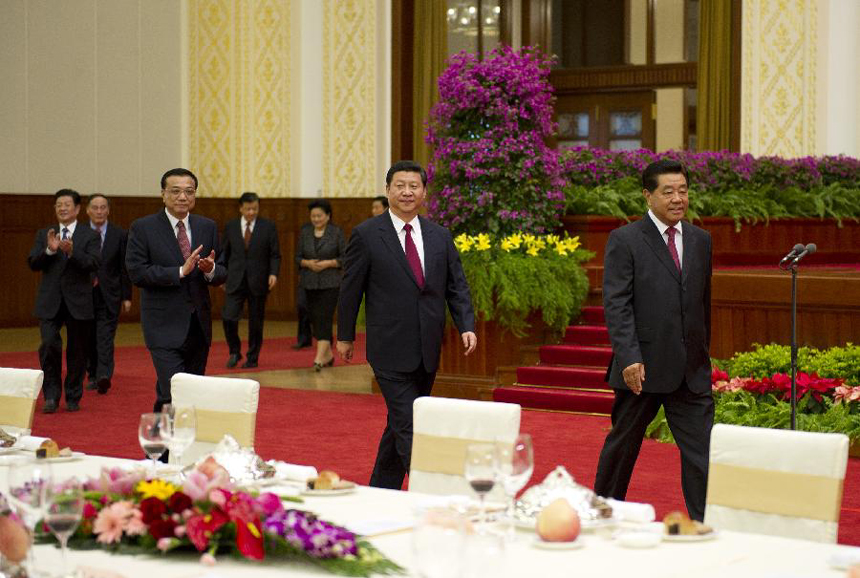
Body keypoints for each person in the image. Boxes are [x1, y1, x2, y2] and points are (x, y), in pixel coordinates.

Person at [337, 160, 477, 489]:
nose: (406, 192)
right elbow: (350, 289)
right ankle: (432, 490)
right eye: (399, 185)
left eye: (413, 186)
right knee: (410, 422)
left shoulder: (439, 236)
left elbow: (456, 285)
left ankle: (380, 489)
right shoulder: (367, 235)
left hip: (428, 347)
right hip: (388, 347)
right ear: (387, 191)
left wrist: (465, 325)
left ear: (424, 192)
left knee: (400, 422)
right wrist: (344, 336)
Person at [594, 159, 714, 521]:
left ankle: (704, 523)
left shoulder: (700, 240)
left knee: (703, 454)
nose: (678, 198)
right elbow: (617, 303)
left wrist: (703, 355)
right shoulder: (625, 239)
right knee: (622, 448)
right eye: (668, 192)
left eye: (683, 190)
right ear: (648, 195)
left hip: (689, 370)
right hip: (641, 369)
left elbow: (701, 304)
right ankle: (602, 513)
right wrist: (629, 356)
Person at [126, 168, 227, 412]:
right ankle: (160, 450)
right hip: (162, 326)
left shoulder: (207, 226)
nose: (183, 197)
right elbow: (137, 272)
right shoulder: (143, 228)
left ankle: (177, 448)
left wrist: (210, 269)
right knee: (172, 391)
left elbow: (223, 271)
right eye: (176, 191)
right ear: (163, 194)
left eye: (189, 192)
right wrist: (180, 271)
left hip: (198, 326)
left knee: (191, 394)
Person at [28, 189, 101, 413]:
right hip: (50, 301)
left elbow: (93, 264)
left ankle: (72, 395)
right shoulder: (45, 233)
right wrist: (50, 250)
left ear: (77, 209)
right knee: (49, 345)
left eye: (67, 204)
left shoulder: (90, 235)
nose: (62, 208)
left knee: (77, 352)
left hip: (78, 302)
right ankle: (51, 396)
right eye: (58, 204)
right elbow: (33, 263)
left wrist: (72, 252)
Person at [219, 192, 281, 369]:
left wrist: (273, 274)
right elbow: (224, 253)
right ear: (241, 208)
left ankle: (252, 357)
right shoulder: (231, 226)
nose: (252, 212)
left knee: (256, 322)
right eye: (248, 209)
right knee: (229, 317)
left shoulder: (268, 226)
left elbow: (275, 254)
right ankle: (234, 351)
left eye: (255, 208)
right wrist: (221, 275)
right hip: (234, 279)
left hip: (258, 280)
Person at [85, 194, 132, 395]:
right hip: (83, 296)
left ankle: (104, 375)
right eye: (95, 208)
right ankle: (92, 373)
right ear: (87, 210)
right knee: (88, 337)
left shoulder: (119, 234)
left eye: (103, 207)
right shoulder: (79, 233)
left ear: (108, 210)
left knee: (105, 337)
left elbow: (124, 267)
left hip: (109, 294)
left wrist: (126, 296)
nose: (99, 211)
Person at [296, 199, 346, 370]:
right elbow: (297, 257)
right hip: (309, 282)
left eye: (319, 216)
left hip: (330, 283)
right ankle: (328, 355)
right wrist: (308, 263)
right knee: (314, 319)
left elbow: (344, 258)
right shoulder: (305, 232)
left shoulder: (336, 232)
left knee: (324, 318)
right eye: (313, 216)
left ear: (328, 216)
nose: (316, 219)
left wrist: (328, 263)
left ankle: (319, 358)